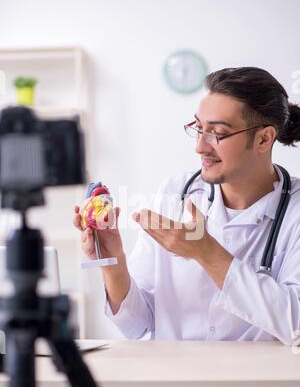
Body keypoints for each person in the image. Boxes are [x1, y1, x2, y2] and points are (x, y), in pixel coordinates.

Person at [73, 67, 300, 345]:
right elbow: (137, 324)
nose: (201, 147)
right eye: (199, 129)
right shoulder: (175, 194)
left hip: (259, 384)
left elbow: (296, 326)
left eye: (217, 133)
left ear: (264, 138)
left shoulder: (295, 210)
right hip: (175, 380)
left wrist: (207, 254)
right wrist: (113, 261)